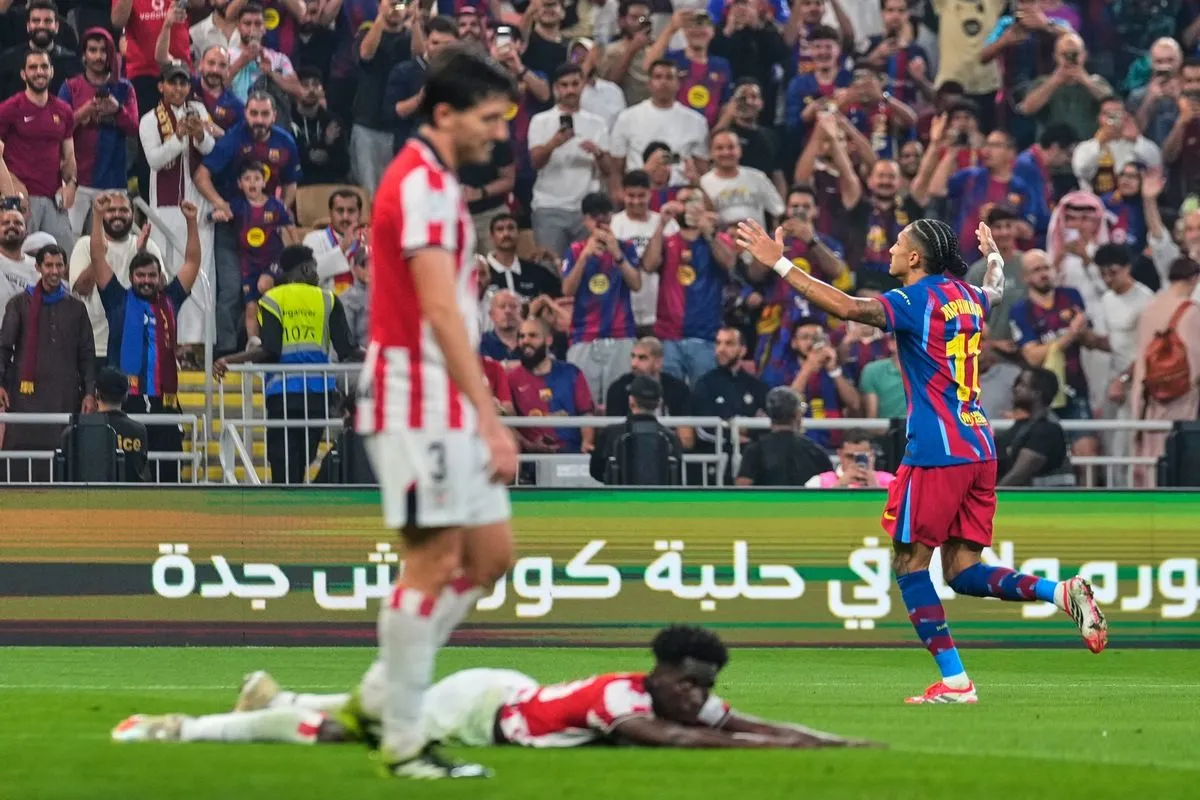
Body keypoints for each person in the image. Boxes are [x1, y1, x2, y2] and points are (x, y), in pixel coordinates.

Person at [735, 215, 1109, 704]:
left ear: (915, 257)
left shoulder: (913, 301)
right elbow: (995, 289)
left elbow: (846, 307)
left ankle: (955, 681)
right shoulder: (968, 296)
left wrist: (780, 263)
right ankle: (1060, 593)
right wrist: (994, 256)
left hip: (936, 450)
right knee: (962, 571)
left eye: (897, 243)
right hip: (979, 446)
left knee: (910, 565)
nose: (890, 249)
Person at [353, 45, 519, 780]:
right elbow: (439, 311)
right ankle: (403, 740)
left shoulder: (440, 182)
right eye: (489, 118)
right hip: (412, 394)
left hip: (443, 397)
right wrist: (490, 414)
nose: (499, 133)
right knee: (432, 562)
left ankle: (379, 696)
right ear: (445, 114)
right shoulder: (418, 183)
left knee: (490, 558)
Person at [113, 625, 871, 749]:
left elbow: (735, 721)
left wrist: (832, 741)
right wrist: (783, 753)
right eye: (691, 686)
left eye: (704, 690)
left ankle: (277, 698)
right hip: (480, 710)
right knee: (351, 734)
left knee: (375, 715)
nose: (698, 699)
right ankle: (185, 729)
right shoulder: (625, 701)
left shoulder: (675, 691)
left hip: (511, 690)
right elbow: (677, 739)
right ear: (665, 675)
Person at [214, 245, 358, 484]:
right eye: (314, 268)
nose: (317, 273)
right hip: (317, 395)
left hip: (283, 394)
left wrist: (228, 359)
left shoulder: (272, 299)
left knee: (283, 464)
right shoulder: (328, 298)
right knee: (304, 459)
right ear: (305, 269)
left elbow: (269, 349)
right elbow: (347, 349)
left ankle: (285, 504)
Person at [81, 196, 201, 484]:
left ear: (160, 277)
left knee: (168, 475)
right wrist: (97, 216)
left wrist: (191, 222)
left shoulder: (171, 299)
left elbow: (192, 262)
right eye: (140, 275)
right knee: (124, 475)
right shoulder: (117, 299)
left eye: (151, 275)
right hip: (126, 404)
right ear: (131, 277)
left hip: (165, 402)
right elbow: (97, 256)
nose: (146, 280)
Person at [0, 244, 95, 479]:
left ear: (65, 268)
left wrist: (89, 393)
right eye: (49, 265)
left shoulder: (77, 308)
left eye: (59, 265)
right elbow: (4, 347)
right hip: (24, 397)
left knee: (63, 457)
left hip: (64, 397)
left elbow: (86, 354)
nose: (54, 271)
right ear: (38, 267)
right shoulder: (19, 304)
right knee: (20, 461)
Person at [58, 27, 139, 236]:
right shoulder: (70, 87)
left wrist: (117, 110)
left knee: (112, 243)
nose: (98, 56)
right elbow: (57, 129)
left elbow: (134, 127)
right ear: (84, 55)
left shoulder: (124, 88)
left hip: (114, 181)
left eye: (103, 50)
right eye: (93, 50)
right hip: (76, 180)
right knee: (71, 240)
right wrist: (83, 112)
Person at [68, 191, 163, 363]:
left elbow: (161, 291)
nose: (117, 215)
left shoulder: (147, 244)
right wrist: (98, 257)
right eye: (111, 210)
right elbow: (81, 289)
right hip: (93, 344)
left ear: (132, 214)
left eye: (123, 210)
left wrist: (142, 255)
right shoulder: (85, 245)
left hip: (136, 345)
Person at [0, 50, 79, 254]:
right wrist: (12, 187)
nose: (39, 72)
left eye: (44, 66)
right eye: (33, 67)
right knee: (17, 258)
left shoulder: (63, 110)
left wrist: (71, 184)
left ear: (52, 71)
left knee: (65, 258)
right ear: (23, 74)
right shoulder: (9, 109)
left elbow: (69, 155)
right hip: (21, 200)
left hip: (53, 199)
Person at [507, 316, 595, 455]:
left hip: (572, 453)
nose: (525, 341)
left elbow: (586, 413)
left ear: (548, 340)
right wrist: (529, 445)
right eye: (522, 336)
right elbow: (507, 423)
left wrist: (586, 443)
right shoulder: (512, 379)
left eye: (532, 335)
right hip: (531, 457)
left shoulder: (572, 373)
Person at [591, 374, 682, 484]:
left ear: (631, 401)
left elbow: (596, 471)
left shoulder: (610, 434)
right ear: (659, 403)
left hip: (619, 495)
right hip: (659, 495)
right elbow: (676, 476)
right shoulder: (671, 438)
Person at [996, 367, 1074, 487]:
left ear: (1037, 393)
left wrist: (994, 493)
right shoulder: (1021, 427)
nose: (1016, 389)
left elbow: (1019, 474)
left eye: (1022, 385)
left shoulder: (1048, 430)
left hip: (1045, 498)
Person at [735, 386, 828, 487]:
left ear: (770, 414)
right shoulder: (815, 452)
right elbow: (831, 484)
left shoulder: (755, 451)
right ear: (797, 414)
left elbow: (742, 489)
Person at [87, 366, 150, 482]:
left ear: (97, 394)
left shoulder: (82, 431)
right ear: (125, 395)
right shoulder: (139, 431)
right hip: (131, 493)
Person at [605, 336, 690, 418]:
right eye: (633, 357)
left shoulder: (678, 389)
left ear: (658, 362)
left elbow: (685, 427)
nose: (634, 364)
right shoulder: (618, 388)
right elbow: (614, 427)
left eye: (642, 358)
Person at [304, 189, 365, 292]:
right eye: (340, 211)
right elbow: (308, 277)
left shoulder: (369, 241)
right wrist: (342, 248)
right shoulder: (313, 239)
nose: (345, 217)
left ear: (360, 213)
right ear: (330, 213)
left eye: (351, 211)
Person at [805, 429, 897, 488]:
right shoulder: (818, 482)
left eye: (862, 457)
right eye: (850, 456)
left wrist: (875, 488)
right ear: (840, 454)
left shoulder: (891, 482)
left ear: (872, 455)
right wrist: (839, 486)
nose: (856, 463)